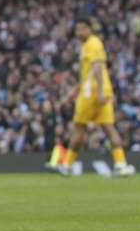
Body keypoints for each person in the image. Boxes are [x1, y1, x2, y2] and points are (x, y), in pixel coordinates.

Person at [57, 19, 134, 177]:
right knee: (109, 128)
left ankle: (66, 165)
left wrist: (98, 92)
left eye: (82, 29)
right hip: (98, 91)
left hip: (91, 93)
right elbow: (88, 74)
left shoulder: (93, 43)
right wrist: (74, 91)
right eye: (77, 30)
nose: (79, 33)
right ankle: (121, 165)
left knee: (80, 128)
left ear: (90, 29)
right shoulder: (87, 45)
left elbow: (97, 67)